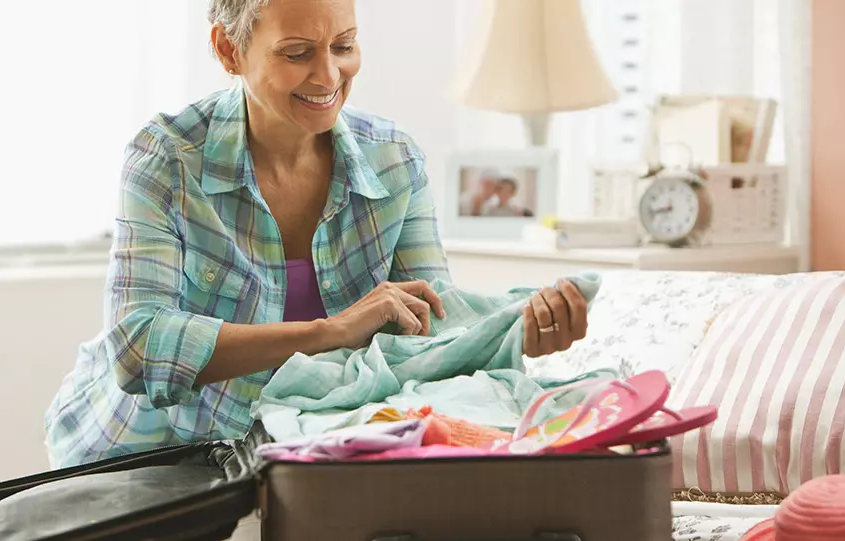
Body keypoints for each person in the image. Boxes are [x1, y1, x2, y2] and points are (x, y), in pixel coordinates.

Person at [44, 0, 590, 472]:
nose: (329, 76)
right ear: (229, 49)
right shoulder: (167, 157)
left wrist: (511, 335)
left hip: (307, 451)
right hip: (157, 453)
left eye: (344, 45)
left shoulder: (394, 161)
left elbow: (429, 329)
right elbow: (138, 347)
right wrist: (331, 331)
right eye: (298, 53)